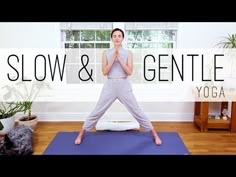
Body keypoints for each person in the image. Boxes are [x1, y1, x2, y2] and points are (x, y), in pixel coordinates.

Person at [74, 28, 162, 145]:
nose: (116, 38)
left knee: (136, 110)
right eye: (114, 36)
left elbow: (129, 71)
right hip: (110, 85)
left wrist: (119, 58)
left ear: (122, 38)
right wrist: (112, 58)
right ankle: (81, 133)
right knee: (97, 110)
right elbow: (105, 72)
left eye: (119, 36)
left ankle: (154, 134)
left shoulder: (128, 53)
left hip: (123, 85)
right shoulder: (106, 53)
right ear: (112, 38)